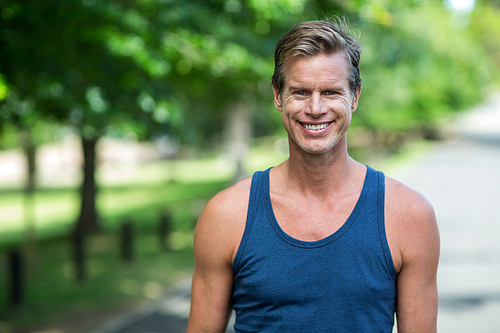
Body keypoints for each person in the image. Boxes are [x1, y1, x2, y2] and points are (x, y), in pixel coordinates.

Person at [186, 17, 440, 333]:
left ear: (355, 96)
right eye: (301, 92)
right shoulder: (227, 215)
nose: (315, 108)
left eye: (332, 92)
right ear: (278, 96)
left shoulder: (409, 215)